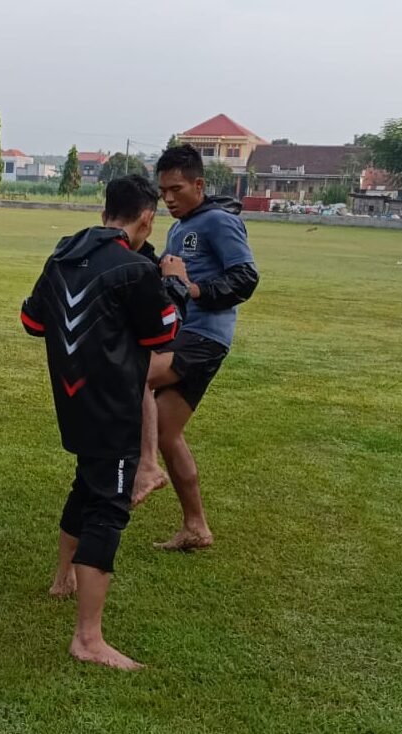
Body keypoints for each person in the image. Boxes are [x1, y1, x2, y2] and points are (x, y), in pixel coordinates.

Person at [21, 175, 180, 671]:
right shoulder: (136, 270)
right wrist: (173, 281)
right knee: (108, 511)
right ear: (147, 219)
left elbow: (31, 322)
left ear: (105, 210)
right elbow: (165, 336)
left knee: (87, 485)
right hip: (114, 409)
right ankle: (88, 639)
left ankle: (62, 579)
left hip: (74, 404)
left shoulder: (63, 256)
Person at [130, 144, 259, 550]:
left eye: (177, 189)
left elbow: (246, 278)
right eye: (163, 191)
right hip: (185, 335)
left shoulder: (218, 221)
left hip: (204, 337)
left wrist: (194, 289)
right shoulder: (180, 226)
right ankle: (196, 528)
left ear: (199, 185)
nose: (168, 198)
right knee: (167, 434)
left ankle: (142, 468)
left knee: (134, 374)